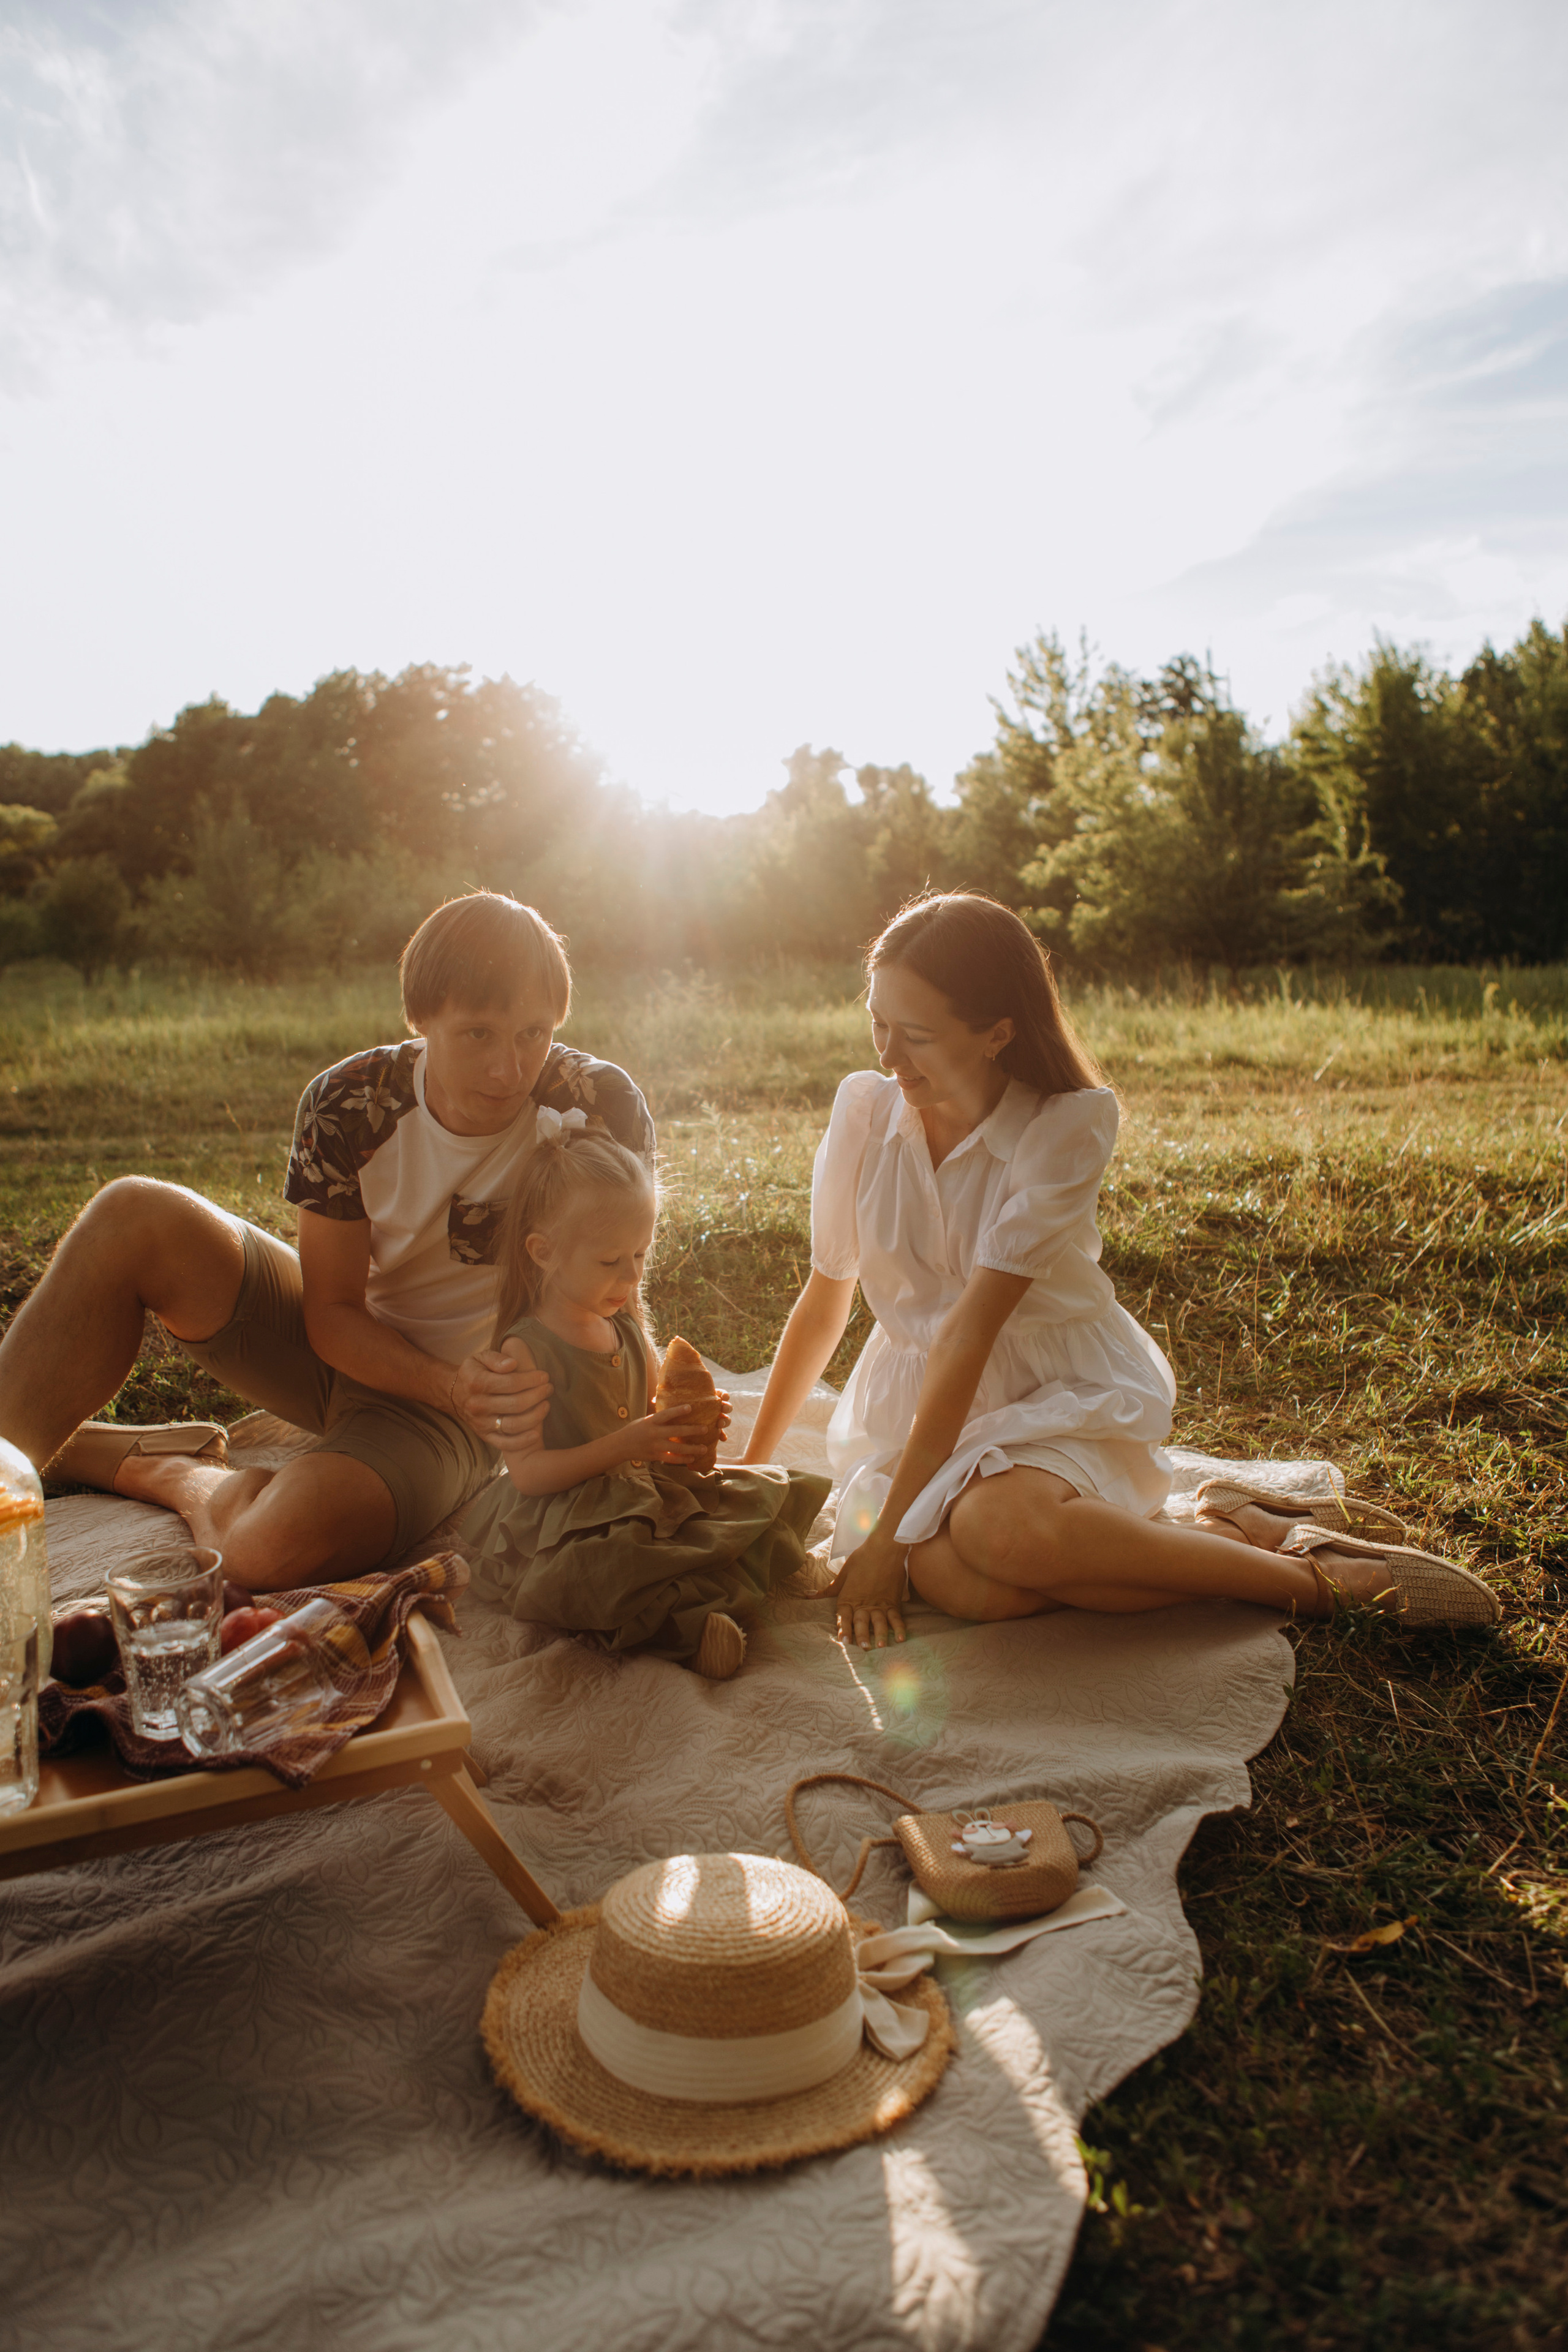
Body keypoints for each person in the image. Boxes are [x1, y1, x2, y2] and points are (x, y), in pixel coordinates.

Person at [742, 892, 1499, 1648]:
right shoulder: (864, 1111)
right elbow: (825, 1295)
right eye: (877, 1023)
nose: (886, 1055)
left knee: (998, 1531)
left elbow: (968, 1337)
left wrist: (884, 1543)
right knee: (955, 1583)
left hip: (1053, 1391)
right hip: (922, 1409)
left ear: (996, 1033)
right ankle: (1232, 1530)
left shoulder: (1064, 1125)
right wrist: (748, 1468)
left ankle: (1321, 1583)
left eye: (916, 1035)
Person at [0, 892, 654, 1591]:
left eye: (533, 1033)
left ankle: (166, 1469)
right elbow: (332, 1312)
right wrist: (442, 1380)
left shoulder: (596, 1105)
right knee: (134, 1212)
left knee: (268, 1551)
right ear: (422, 1017)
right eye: (478, 1035)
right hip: (349, 1346)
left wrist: (640, 1422)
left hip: (470, 1407)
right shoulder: (349, 1103)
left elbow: (617, 1293)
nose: (509, 1068)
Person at [459, 1119, 830, 1678]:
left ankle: (768, 1565)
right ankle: (690, 1632)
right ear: (544, 1252)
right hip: (570, 1519)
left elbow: (651, 1419)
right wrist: (628, 1443)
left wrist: (688, 1427)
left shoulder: (624, 1326)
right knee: (612, 1568)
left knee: (759, 1490)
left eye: (640, 1254)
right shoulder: (527, 1349)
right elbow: (531, 1474)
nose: (631, 1277)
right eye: (611, 1262)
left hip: (640, 1490)